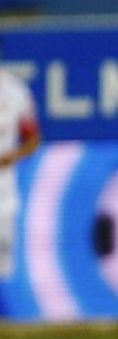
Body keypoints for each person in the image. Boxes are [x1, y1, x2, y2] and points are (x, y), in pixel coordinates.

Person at [0, 37, 41, 286]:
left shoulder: (15, 91)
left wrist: (11, 157)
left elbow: (32, 139)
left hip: (4, 195)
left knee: (3, 269)